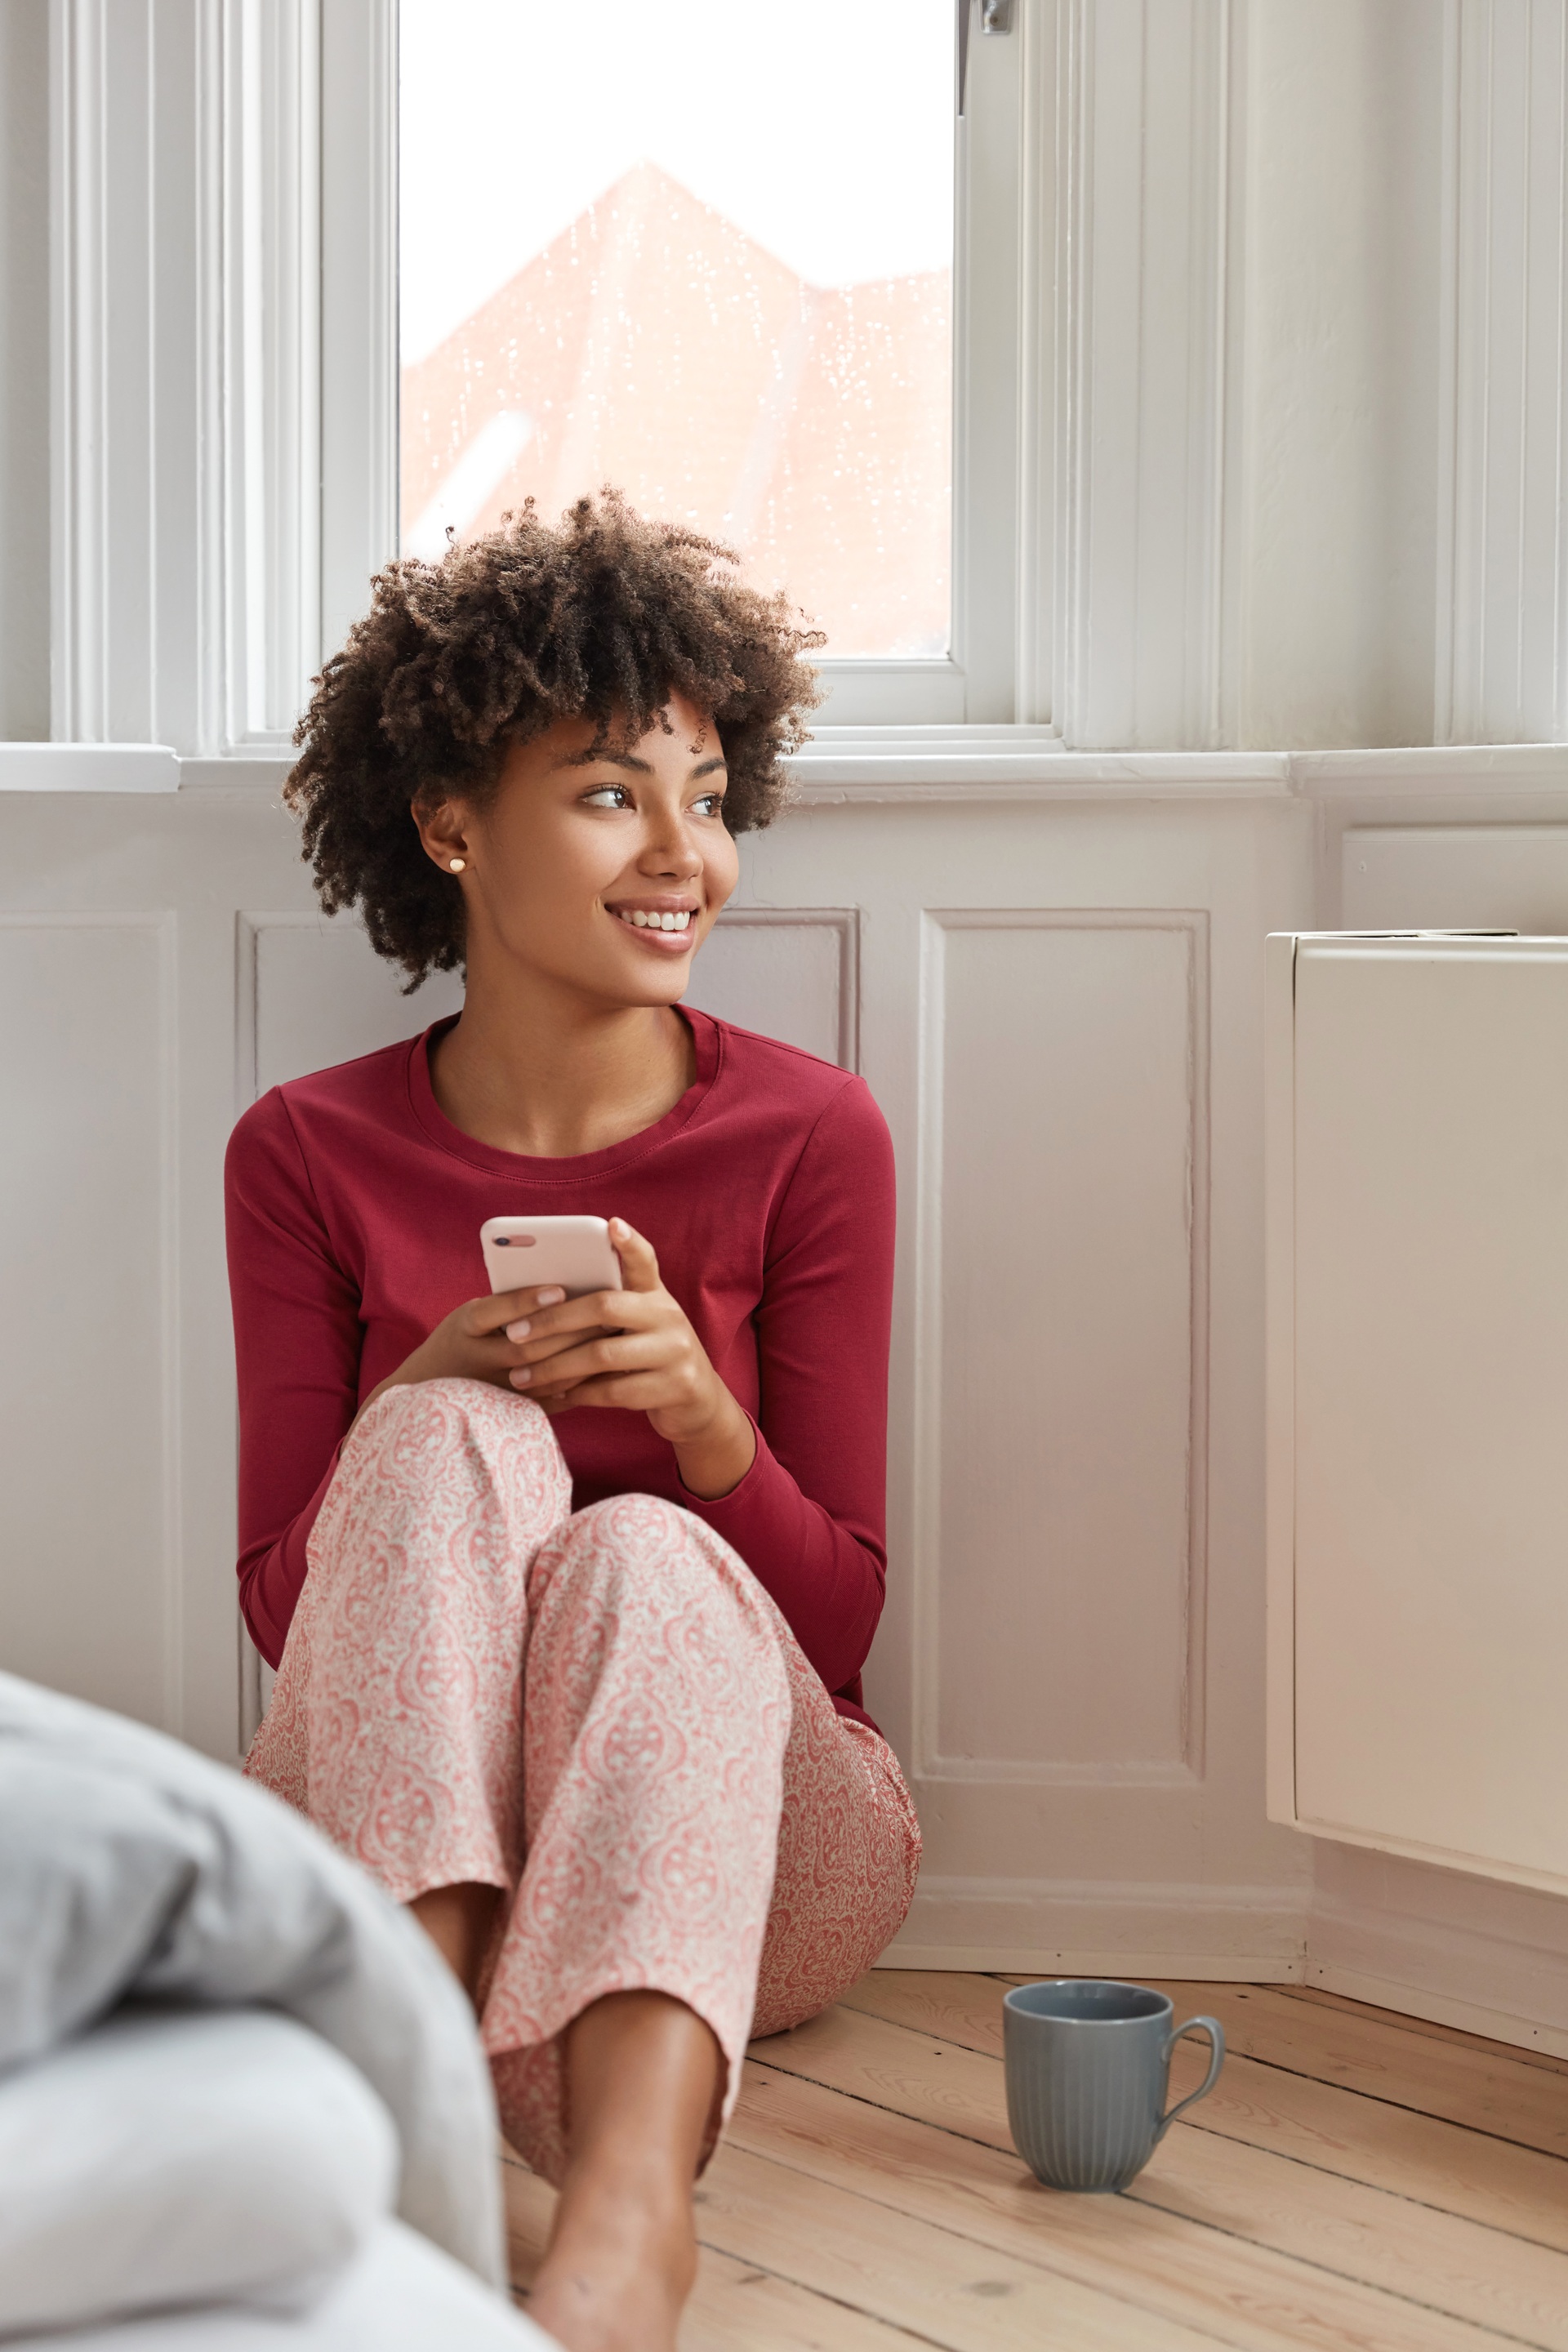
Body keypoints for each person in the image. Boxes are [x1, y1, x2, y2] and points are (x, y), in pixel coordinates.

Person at [226, 493, 920, 2352]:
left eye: (708, 796)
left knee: (641, 1548)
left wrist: (702, 1427)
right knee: (451, 1447)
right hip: (403, 1842)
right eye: (615, 792)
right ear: (450, 824)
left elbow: (841, 1631)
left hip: (756, 1866)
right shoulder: (303, 1152)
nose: (681, 852)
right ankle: (415, 2088)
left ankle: (629, 2227)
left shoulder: (809, 1134)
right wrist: (414, 1399)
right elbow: (292, 1624)